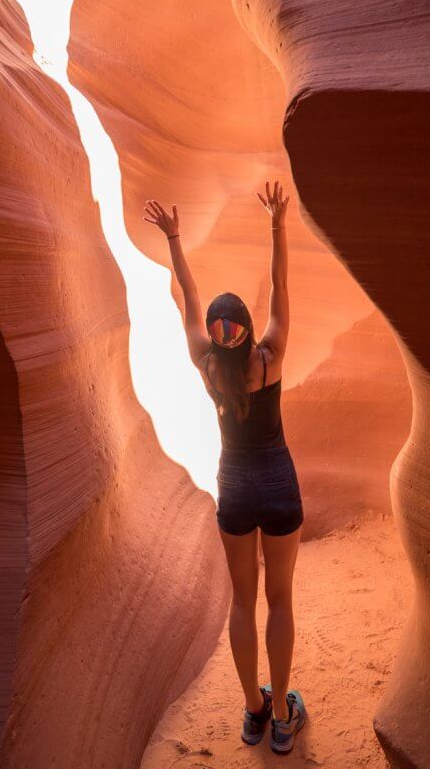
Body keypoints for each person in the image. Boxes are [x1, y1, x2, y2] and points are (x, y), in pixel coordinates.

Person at [143, 180, 307, 755]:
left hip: (234, 487)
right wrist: (277, 223)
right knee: (280, 599)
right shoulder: (271, 357)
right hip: (278, 482)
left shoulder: (206, 366)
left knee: (243, 601)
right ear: (246, 333)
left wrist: (174, 238)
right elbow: (282, 286)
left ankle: (253, 710)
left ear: (216, 338)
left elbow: (186, 295)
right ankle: (284, 714)